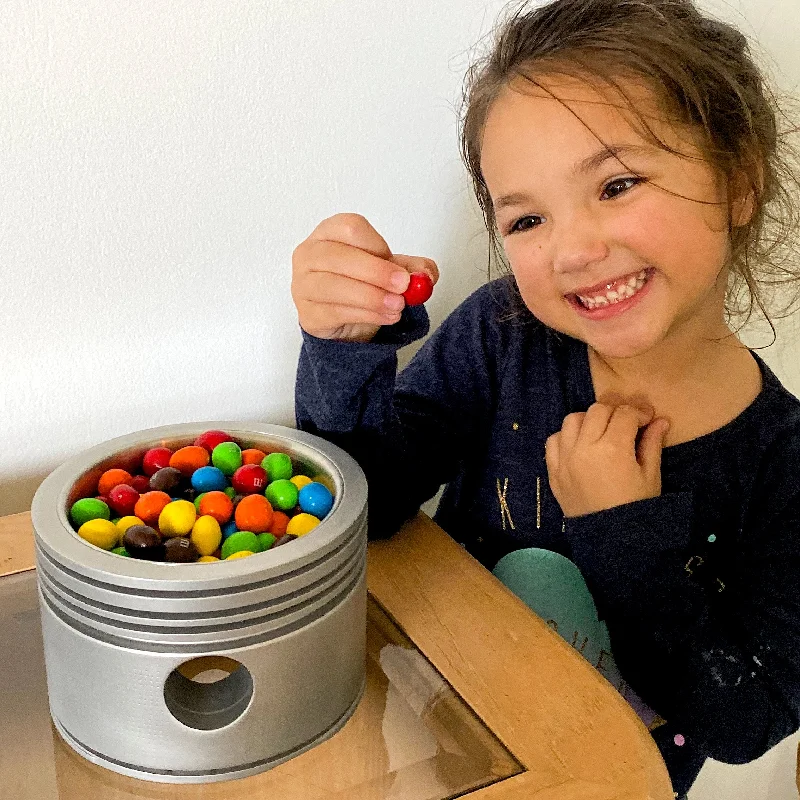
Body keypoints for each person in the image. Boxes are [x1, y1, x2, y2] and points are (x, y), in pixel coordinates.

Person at [290, 0, 800, 796]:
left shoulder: (784, 462)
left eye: (617, 183)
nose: (573, 250)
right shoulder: (502, 335)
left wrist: (624, 530)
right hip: (431, 750)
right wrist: (343, 348)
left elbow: (743, 721)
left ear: (738, 183)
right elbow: (365, 501)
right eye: (527, 219)